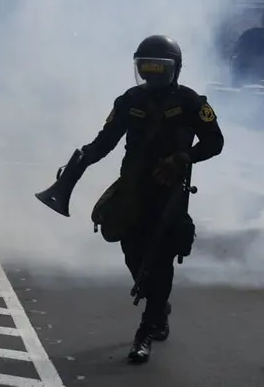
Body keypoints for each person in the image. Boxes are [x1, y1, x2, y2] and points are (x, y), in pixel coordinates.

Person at [49, 34, 224, 364]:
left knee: (161, 257)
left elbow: (215, 142)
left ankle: (146, 329)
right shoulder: (129, 100)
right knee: (131, 251)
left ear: (174, 69)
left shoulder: (191, 102)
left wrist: (182, 159)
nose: (152, 75)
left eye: (159, 69)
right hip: (133, 188)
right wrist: (82, 159)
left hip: (170, 192)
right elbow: (107, 139)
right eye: (146, 69)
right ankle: (158, 302)